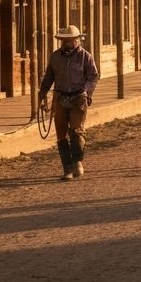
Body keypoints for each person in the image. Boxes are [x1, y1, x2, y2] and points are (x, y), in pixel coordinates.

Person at [40, 25, 99, 181]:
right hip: (60, 97)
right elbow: (48, 77)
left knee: (76, 130)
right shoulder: (55, 57)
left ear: (76, 40)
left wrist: (86, 92)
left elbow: (93, 76)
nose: (66, 43)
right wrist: (42, 94)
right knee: (61, 134)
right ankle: (67, 168)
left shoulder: (85, 57)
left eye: (69, 40)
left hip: (78, 97)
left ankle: (77, 161)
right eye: (64, 40)